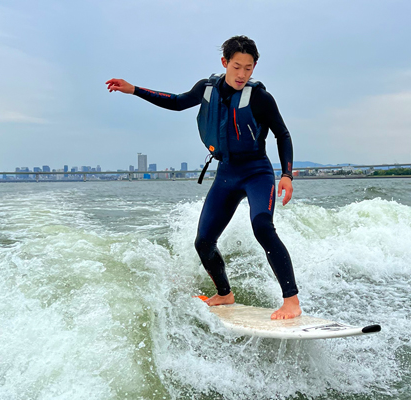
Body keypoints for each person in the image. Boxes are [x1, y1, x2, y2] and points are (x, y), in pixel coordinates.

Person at [105, 36, 301, 319]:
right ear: (224, 63)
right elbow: (176, 102)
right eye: (237, 67)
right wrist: (134, 90)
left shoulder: (260, 98)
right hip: (226, 172)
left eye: (248, 68)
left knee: (262, 226)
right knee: (203, 242)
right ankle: (225, 294)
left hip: (256, 172)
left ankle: (291, 301)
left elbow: (282, 134)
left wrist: (286, 174)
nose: (242, 74)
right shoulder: (206, 89)